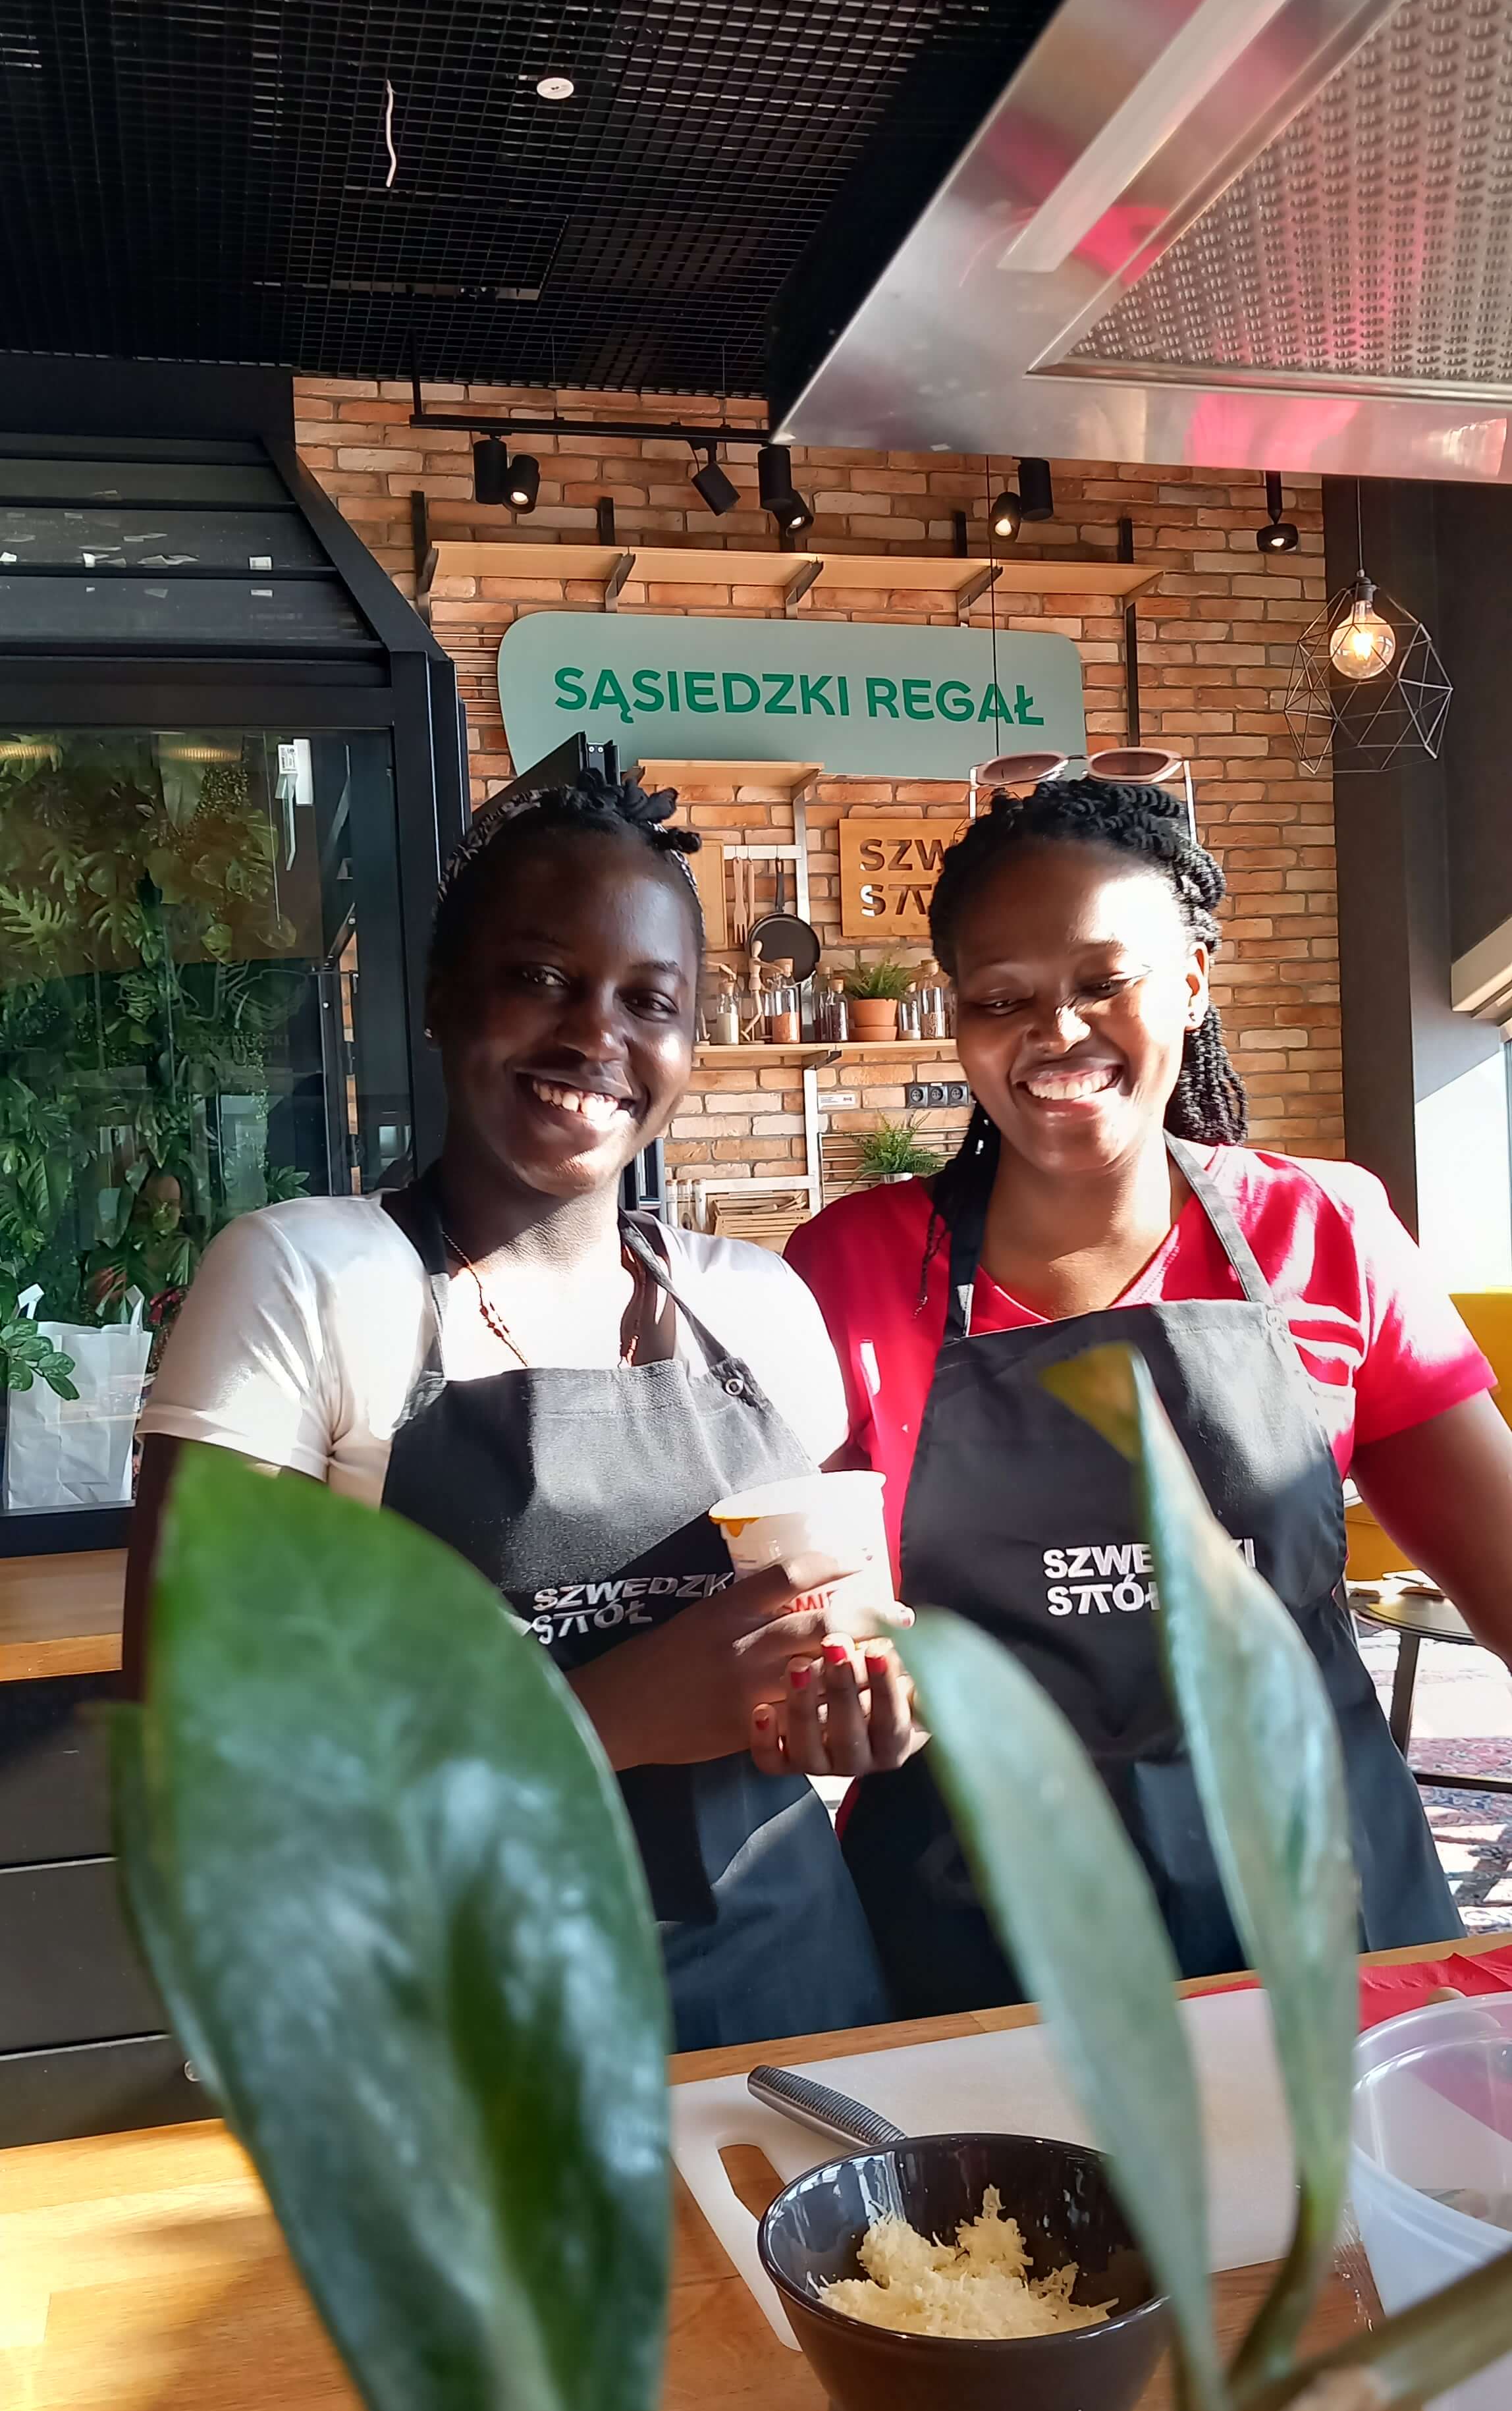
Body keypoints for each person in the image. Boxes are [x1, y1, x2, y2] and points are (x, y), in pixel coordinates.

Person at [126, 772, 920, 2051]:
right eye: (541, 977)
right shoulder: (307, 1280)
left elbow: (840, 1619)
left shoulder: (759, 1304)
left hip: (784, 1990)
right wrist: (613, 1713)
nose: (592, 1034)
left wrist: (869, 1693)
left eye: (646, 1001)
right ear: (443, 1001)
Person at [786, 778, 1512, 2017]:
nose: (1055, 1030)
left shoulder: (1325, 1230)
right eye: (1000, 997)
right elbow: (808, 1610)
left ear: (1189, 983)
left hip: (1323, 1921)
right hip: (982, 1939)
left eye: (1102, 981)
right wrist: (829, 1692)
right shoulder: (852, 1266)